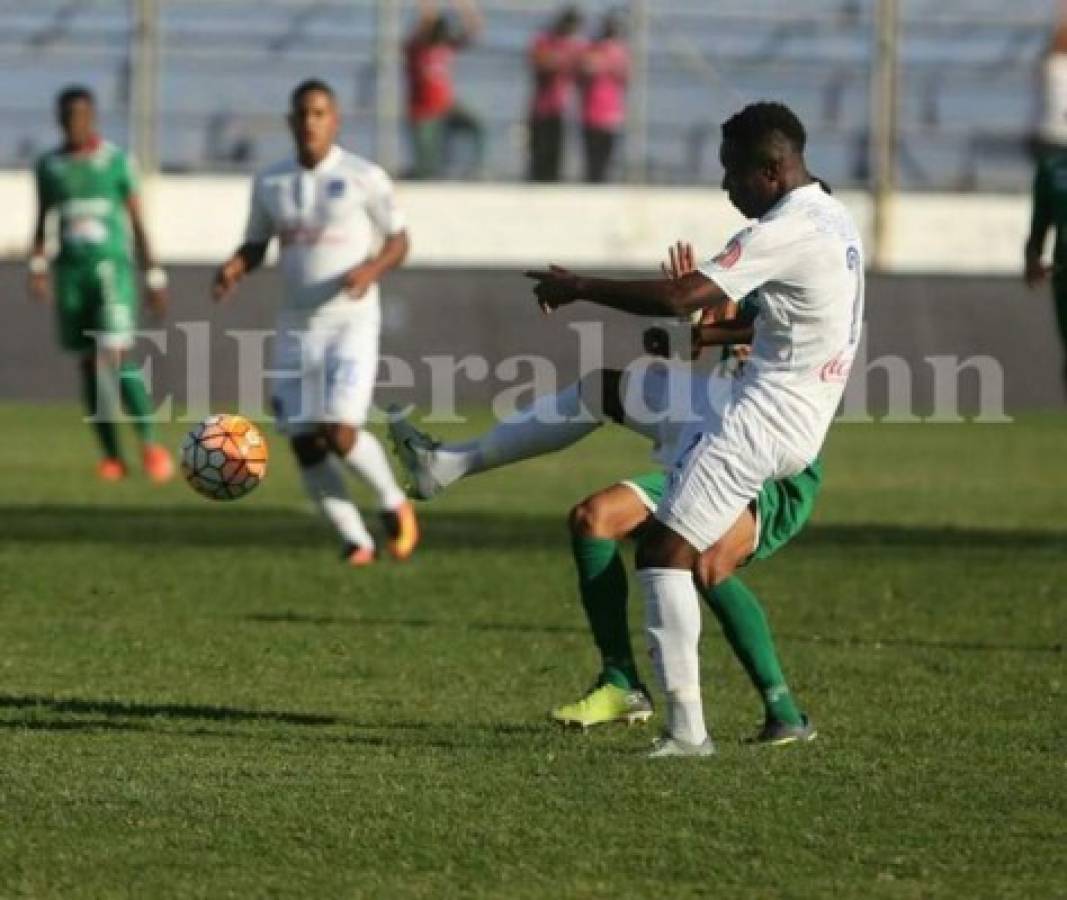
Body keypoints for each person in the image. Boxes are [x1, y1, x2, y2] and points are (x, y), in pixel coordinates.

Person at [526, 101, 864, 757]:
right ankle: (767, 716)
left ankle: (686, 734)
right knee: (690, 553)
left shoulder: (783, 227)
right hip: (785, 417)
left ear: (770, 169)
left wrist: (580, 287)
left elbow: (683, 296)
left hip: (756, 419)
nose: (724, 186)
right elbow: (764, 320)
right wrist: (708, 334)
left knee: (661, 556)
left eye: (731, 172)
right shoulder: (831, 214)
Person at [390, 242, 818, 746]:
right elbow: (716, 338)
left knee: (707, 565)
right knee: (595, 511)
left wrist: (697, 322)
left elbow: (760, 339)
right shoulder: (760, 261)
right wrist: (699, 327)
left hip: (767, 461)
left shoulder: (814, 280)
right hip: (717, 428)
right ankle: (624, 682)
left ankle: (772, 712)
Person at [213, 79, 418, 567]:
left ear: (335, 120)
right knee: (305, 441)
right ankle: (355, 540)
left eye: (320, 113)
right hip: (296, 325)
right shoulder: (271, 182)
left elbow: (400, 240)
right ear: (290, 121)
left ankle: (393, 502)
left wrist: (371, 269)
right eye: (303, 114)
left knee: (339, 430)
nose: (310, 122)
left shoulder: (364, 176)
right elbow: (257, 243)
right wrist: (236, 266)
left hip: (350, 322)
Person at [28, 85, 174, 483]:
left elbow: (137, 222)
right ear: (59, 119)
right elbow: (43, 217)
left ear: (92, 118)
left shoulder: (115, 162)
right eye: (68, 116)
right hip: (71, 273)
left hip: (111, 271)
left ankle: (150, 446)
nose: (75, 123)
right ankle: (112, 456)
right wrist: (38, 264)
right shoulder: (49, 166)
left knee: (115, 354)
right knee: (90, 365)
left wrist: (154, 275)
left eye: (82, 116)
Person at [404, 0, 486, 180]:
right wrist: (427, 6)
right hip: (423, 112)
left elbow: (474, 30)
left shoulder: (445, 47)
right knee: (427, 164)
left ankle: (476, 171)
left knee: (477, 127)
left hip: (446, 107)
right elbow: (426, 21)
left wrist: (465, 7)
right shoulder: (416, 48)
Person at [527, 6, 586, 182]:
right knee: (539, 153)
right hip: (542, 107)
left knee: (557, 154)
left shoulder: (573, 45)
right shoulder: (545, 40)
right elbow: (541, 61)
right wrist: (562, 60)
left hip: (562, 108)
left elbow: (585, 64)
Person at [579, 11, 629, 183]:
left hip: (611, 112)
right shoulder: (593, 49)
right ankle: (592, 181)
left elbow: (624, 73)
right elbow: (587, 68)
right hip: (591, 111)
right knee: (592, 154)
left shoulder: (619, 51)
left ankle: (601, 181)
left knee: (606, 154)